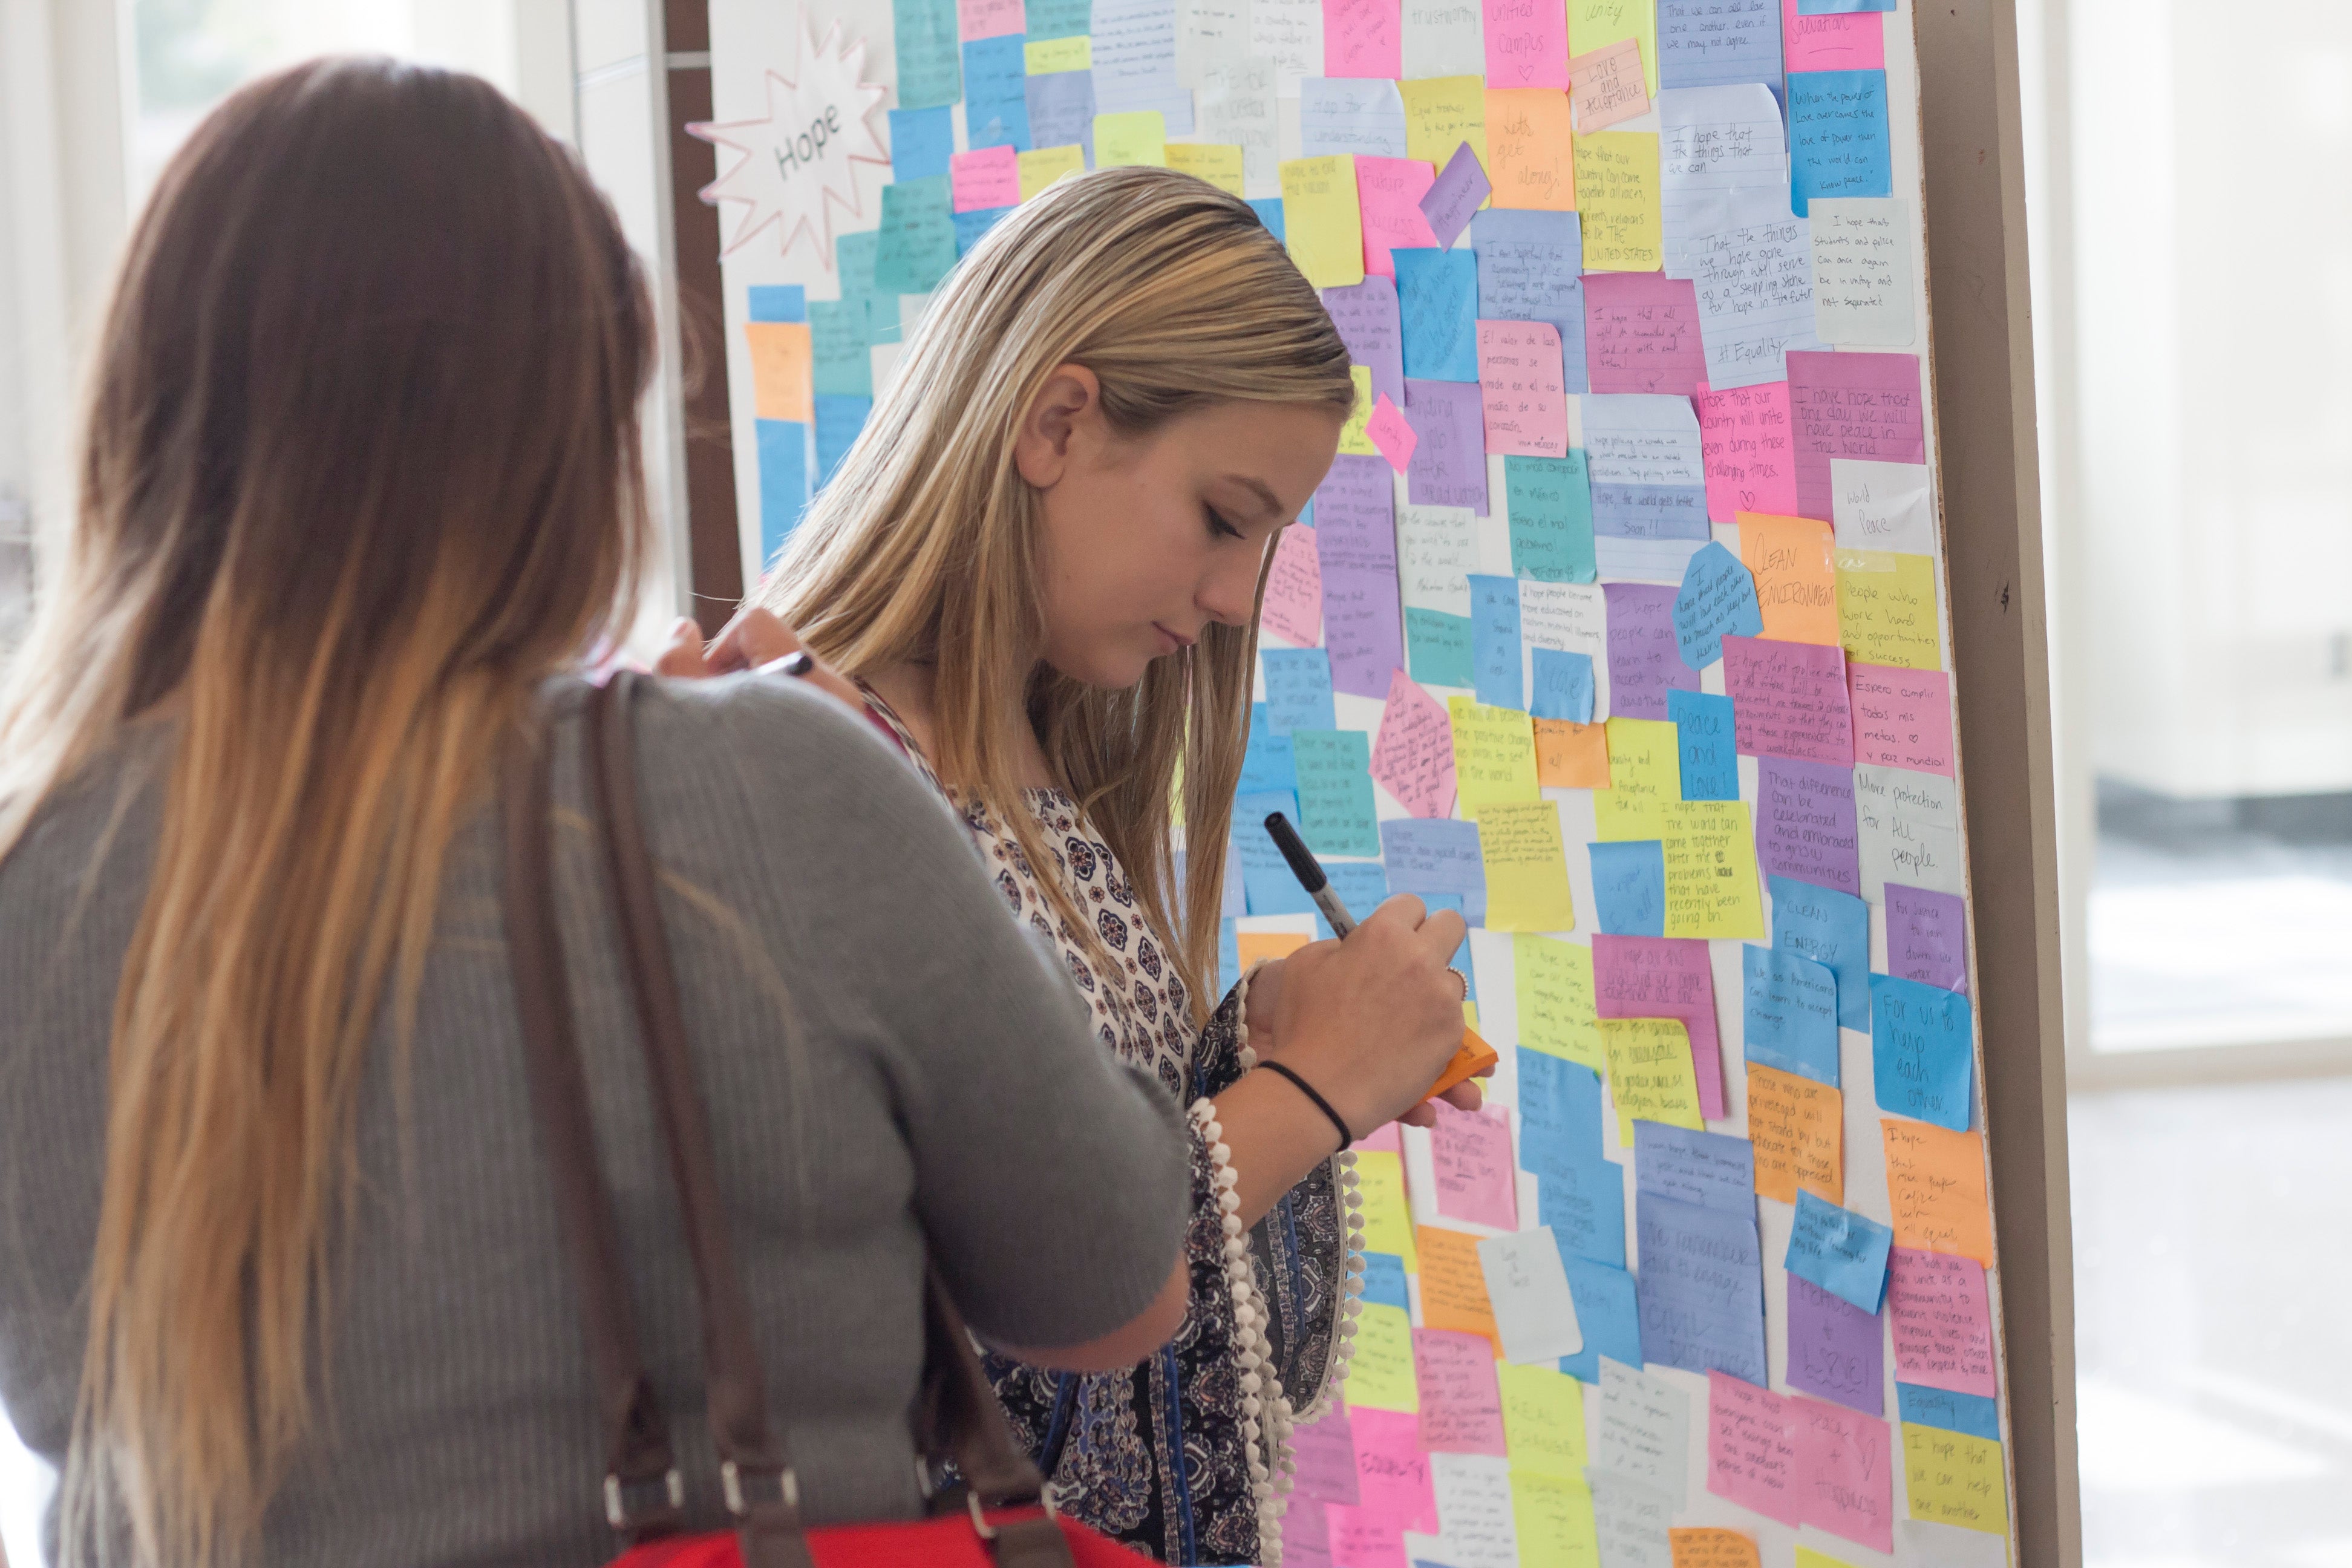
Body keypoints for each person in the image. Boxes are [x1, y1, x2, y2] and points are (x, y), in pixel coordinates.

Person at [0, 62, 1219, 1568]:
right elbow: (1117, 1282)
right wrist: (859, 809)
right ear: (565, 451)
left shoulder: (37, 879)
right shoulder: (777, 786)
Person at [660, 168, 1480, 1567]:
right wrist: (1309, 1093)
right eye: (1224, 519)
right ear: (1054, 422)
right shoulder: (816, 775)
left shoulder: (1036, 761)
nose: (1234, 601)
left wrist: (1252, 1057)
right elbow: (990, 1329)